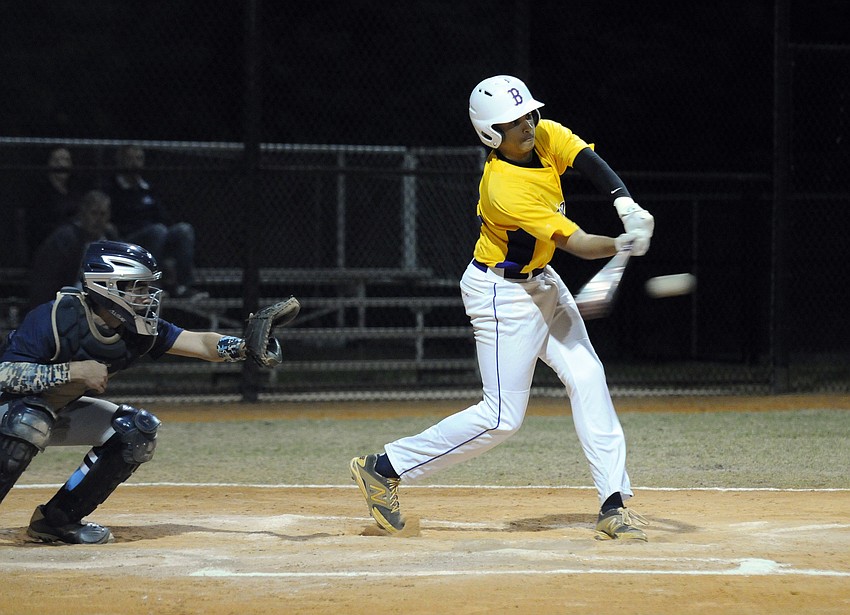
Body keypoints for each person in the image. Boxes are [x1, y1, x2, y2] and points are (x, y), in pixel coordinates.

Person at [350, 75, 656, 541]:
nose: (527, 124)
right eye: (513, 121)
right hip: (502, 296)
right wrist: (619, 242)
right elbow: (576, 241)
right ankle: (385, 467)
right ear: (491, 133)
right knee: (500, 419)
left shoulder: (545, 134)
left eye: (528, 113)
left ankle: (613, 504)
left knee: (589, 377)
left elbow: (587, 159)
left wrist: (626, 205)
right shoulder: (504, 186)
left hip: (543, 282)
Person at [0, 240, 284, 544]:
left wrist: (241, 347)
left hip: (51, 411)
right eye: (137, 288)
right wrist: (72, 372)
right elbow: (4, 374)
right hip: (10, 411)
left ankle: (57, 521)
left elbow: (199, 343)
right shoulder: (56, 318)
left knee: (135, 431)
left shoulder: (136, 328)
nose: (147, 296)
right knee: (29, 421)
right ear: (108, 286)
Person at [107, 145, 207, 300]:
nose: (135, 163)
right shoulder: (112, 187)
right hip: (128, 240)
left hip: (156, 237)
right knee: (157, 231)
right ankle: (154, 283)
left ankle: (184, 286)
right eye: (130, 159)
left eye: (139, 159)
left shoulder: (147, 188)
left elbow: (163, 217)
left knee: (183, 229)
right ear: (121, 161)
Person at [27, 189, 117, 310]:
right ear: (82, 214)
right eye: (94, 213)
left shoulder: (111, 238)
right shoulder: (64, 240)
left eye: (103, 214)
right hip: (70, 304)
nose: (99, 220)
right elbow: (47, 281)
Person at [24, 147, 85, 260]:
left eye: (66, 160)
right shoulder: (40, 191)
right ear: (49, 163)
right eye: (57, 160)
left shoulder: (74, 190)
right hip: (50, 241)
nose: (62, 164)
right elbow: (38, 224)